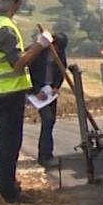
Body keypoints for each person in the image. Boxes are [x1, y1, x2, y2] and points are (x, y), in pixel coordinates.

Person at [0, 0, 54, 203]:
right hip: (8, 92)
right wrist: (41, 45)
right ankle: (8, 190)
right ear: (18, 3)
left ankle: (4, 181)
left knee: (4, 137)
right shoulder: (5, 29)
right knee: (11, 141)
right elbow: (18, 63)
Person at [27, 33, 67, 165]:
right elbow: (27, 73)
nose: (58, 51)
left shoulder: (60, 54)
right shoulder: (37, 53)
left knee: (51, 121)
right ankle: (44, 156)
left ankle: (46, 153)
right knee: (48, 119)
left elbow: (62, 71)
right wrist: (35, 91)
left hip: (50, 92)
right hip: (38, 92)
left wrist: (56, 86)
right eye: (57, 48)